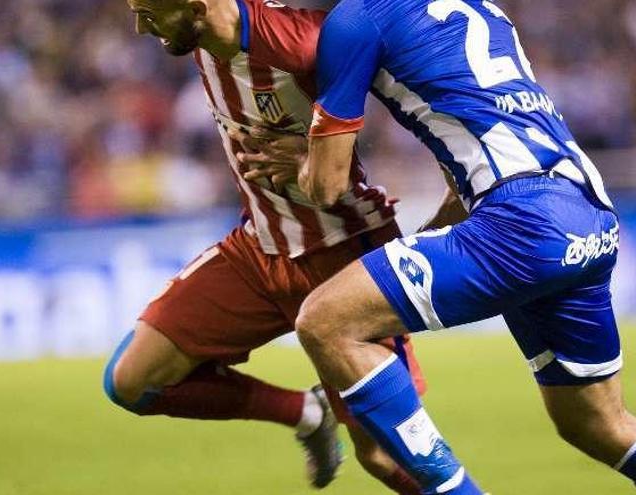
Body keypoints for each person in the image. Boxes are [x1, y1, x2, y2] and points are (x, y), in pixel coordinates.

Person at [293, 0, 636, 494]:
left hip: (521, 222)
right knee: (597, 424)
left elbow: (328, 186)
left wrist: (296, 169)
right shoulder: (482, 9)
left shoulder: (356, 19)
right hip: (585, 211)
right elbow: (473, 145)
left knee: (328, 322)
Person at [103, 0, 429, 492]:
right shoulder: (201, 39)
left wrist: (323, 152)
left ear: (194, 9)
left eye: (149, 14)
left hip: (345, 254)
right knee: (132, 381)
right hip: (259, 248)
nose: (139, 27)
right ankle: (306, 412)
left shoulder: (301, 44)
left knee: (383, 456)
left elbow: (397, 82)